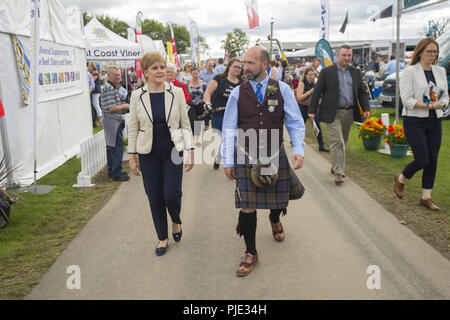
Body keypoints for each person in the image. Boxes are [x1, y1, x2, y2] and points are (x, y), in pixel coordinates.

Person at [221, 46, 306, 277]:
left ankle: (274, 217)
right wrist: (228, 160)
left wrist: (298, 149)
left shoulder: (283, 90)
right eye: (244, 63)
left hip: (274, 152)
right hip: (246, 153)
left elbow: (295, 122)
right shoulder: (239, 92)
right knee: (247, 206)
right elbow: (228, 128)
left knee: (278, 201)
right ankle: (251, 252)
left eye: (250, 63)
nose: (245, 68)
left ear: (264, 64)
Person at [128, 51, 194, 256]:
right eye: (155, 68)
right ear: (145, 72)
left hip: (173, 151)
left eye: (162, 67)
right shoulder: (137, 95)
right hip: (148, 154)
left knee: (171, 194)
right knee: (154, 197)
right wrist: (131, 155)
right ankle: (162, 237)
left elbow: (185, 123)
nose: (160, 71)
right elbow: (132, 126)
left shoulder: (177, 93)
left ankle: (175, 219)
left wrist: (190, 150)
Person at [394, 38, 449, 211]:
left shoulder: (440, 71)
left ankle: (426, 197)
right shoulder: (410, 72)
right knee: (422, 159)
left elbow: (446, 95)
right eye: (429, 51)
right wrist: (428, 105)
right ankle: (401, 178)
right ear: (420, 52)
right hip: (414, 120)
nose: (432, 55)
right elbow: (407, 100)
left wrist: (443, 103)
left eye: (435, 52)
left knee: (432, 160)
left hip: (435, 120)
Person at [308, 45, 371, 185]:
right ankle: (339, 172)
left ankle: (335, 165)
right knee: (338, 141)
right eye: (344, 55)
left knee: (343, 140)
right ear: (337, 56)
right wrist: (312, 110)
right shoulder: (327, 72)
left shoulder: (355, 72)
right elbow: (317, 91)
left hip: (349, 112)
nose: (347, 58)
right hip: (332, 112)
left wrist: (365, 107)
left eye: (349, 55)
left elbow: (361, 91)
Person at [203, 58, 243, 170]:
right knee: (225, 140)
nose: (237, 69)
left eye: (239, 68)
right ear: (229, 67)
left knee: (231, 140)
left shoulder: (242, 83)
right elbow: (208, 93)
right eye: (235, 66)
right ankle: (219, 157)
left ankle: (233, 168)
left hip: (234, 117)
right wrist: (207, 103)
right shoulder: (219, 79)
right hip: (219, 116)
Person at [100, 66, 131, 182]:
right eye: (115, 75)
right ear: (109, 76)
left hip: (113, 120)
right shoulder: (108, 88)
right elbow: (111, 108)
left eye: (119, 75)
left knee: (112, 147)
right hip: (112, 120)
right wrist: (125, 105)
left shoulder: (111, 87)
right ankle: (116, 173)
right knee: (116, 147)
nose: (118, 77)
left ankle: (113, 171)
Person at [296, 68, 329, 152]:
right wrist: (310, 92)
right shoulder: (302, 84)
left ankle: (321, 145)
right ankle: (295, 141)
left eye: (313, 75)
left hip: (312, 108)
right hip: (302, 108)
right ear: (305, 75)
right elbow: (299, 98)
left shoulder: (315, 84)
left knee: (317, 126)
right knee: (301, 126)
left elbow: (319, 97)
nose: (311, 77)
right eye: (310, 75)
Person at [186, 66, 207, 145]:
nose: (195, 75)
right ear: (191, 74)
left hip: (200, 105)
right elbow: (186, 93)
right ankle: (192, 138)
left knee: (198, 123)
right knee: (192, 121)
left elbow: (206, 94)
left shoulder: (203, 83)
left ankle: (196, 139)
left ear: (199, 73)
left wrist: (206, 103)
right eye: (193, 74)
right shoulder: (188, 83)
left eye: (196, 73)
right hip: (191, 105)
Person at [199, 59, 217, 131]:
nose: (211, 66)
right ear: (206, 65)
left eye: (212, 65)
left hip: (213, 93)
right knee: (206, 108)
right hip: (204, 93)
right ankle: (206, 124)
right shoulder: (201, 73)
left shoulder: (215, 73)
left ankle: (213, 124)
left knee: (213, 109)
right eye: (209, 65)